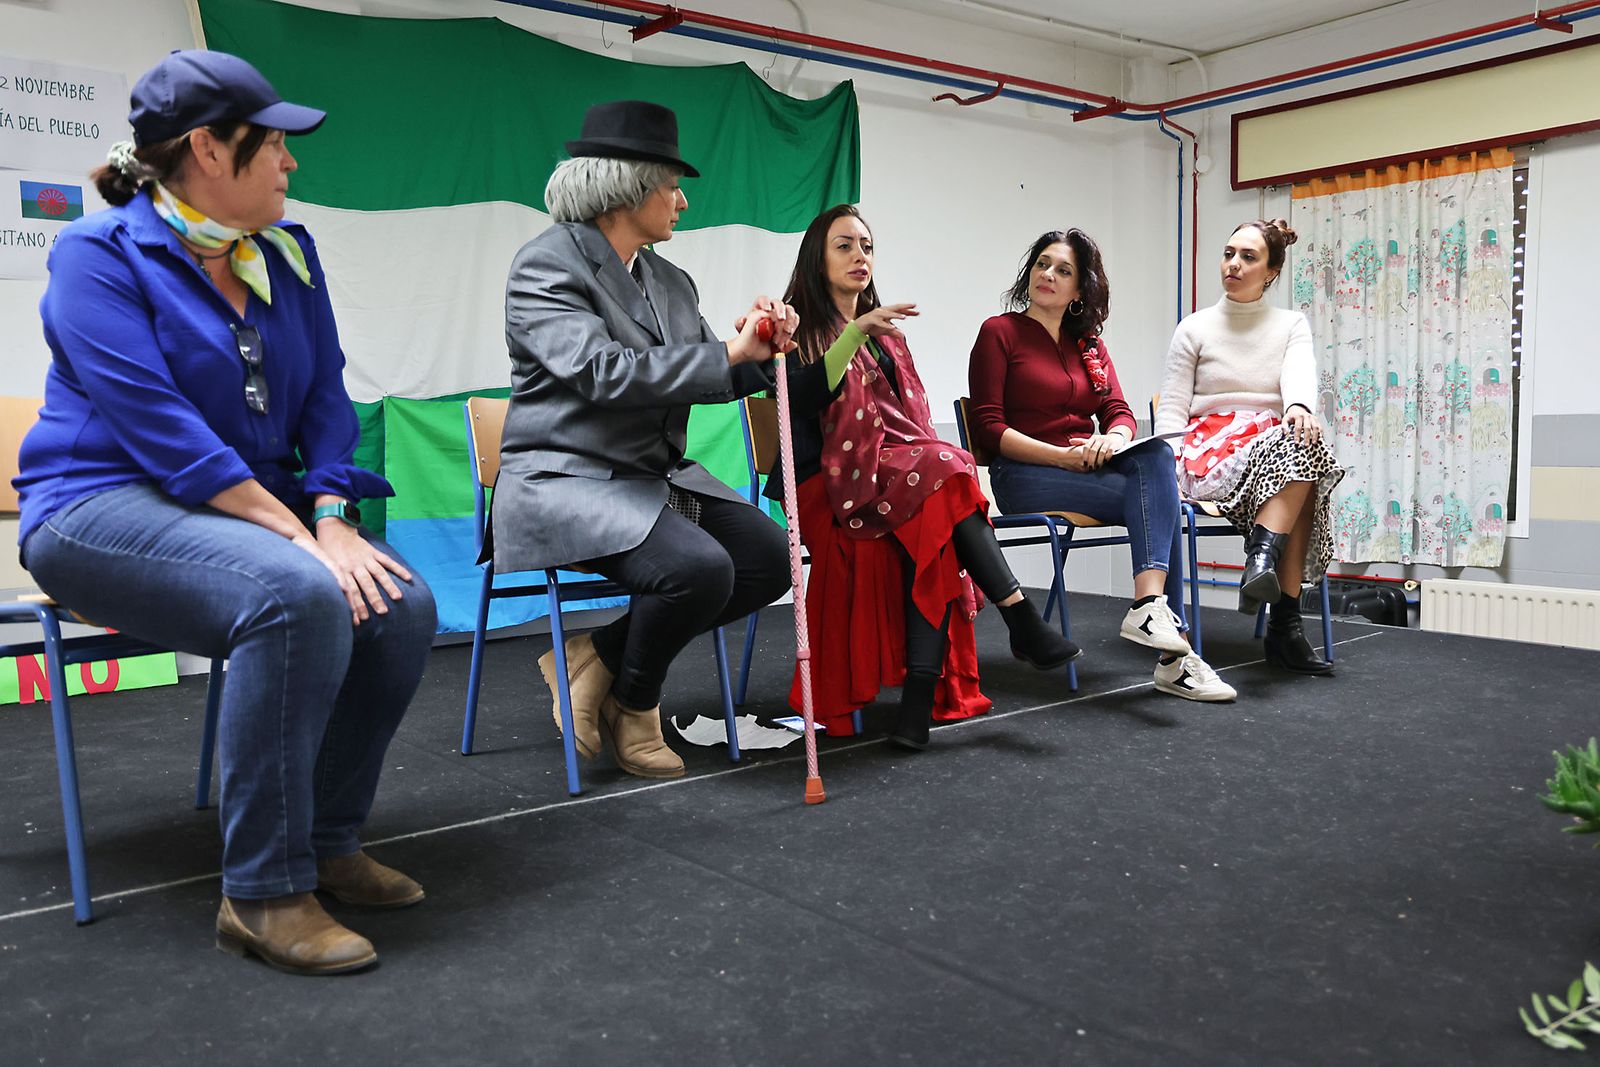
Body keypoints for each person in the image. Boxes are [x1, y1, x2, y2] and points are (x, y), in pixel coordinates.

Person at [11, 51, 437, 975]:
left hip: (245, 512)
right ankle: (263, 891)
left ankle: (326, 840)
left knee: (402, 605)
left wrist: (330, 512)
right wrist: (297, 536)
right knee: (294, 595)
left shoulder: (291, 253)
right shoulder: (97, 253)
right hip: (94, 506)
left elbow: (327, 397)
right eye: (275, 145)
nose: (292, 164)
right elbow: (160, 431)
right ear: (207, 147)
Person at [495, 101, 791, 780]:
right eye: (672, 185)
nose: (682, 200)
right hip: (562, 481)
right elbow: (602, 373)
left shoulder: (669, 279)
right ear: (627, 187)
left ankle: (594, 657)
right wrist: (726, 351)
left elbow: (704, 373)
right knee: (699, 568)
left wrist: (761, 352)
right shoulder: (544, 265)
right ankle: (636, 704)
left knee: (769, 557)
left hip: (650, 480)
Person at [771, 204, 1080, 751]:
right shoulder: (797, 327)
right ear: (816, 258)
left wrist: (869, 331)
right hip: (828, 482)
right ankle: (1020, 618)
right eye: (844, 245)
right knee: (948, 473)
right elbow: (797, 397)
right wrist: (853, 335)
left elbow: (910, 428)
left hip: (897, 473)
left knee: (939, 515)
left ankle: (918, 705)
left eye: (866, 245)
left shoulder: (888, 336)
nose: (859, 256)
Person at [970, 230, 1235, 702]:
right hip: (1025, 476)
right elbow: (989, 429)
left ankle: (1150, 606)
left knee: (1155, 458)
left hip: (1087, 473)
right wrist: (1062, 457)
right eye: (1042, 264)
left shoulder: (1088, 344)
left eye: (1063, 270)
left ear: (1079, 291)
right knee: (1162, 504)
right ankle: (1177, 658)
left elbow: (1119, 410)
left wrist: (1112, 439)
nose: (1048, 275)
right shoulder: (999, 332)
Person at [1154, 219, 1344, 675]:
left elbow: (1299, 372)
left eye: (1248, 257)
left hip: (1271, 450)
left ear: (1272, 271)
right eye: (1229, 253)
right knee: (1303, 470)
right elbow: (1174, 408)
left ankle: (1262, 561)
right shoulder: (1194, 328)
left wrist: (1299, 405)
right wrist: (1165, 463)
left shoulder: (1290, 324)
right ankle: (1284, 622)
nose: (1233, 264)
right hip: (1209, 449)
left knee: (1301, 440)